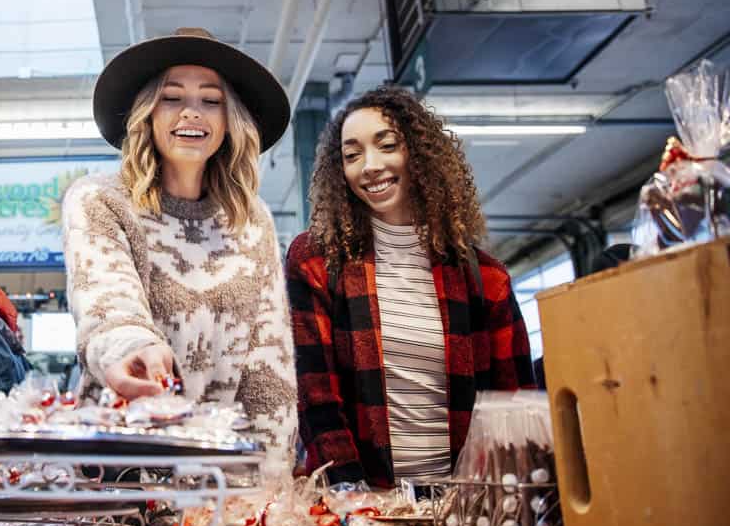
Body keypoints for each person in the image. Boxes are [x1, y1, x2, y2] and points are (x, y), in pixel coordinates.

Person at [62, 27, 298, 473]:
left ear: (231, 121)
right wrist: (133, 347)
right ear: (147, 114)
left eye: (211, 101)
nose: (193, 112)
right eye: (172, 98)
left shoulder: (253, 220)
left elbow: (269, 367)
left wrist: (271, 487)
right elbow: (108, 303)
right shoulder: (99, 200)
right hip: (118, 472)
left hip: (216, 480)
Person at [286, 86, 535, 488]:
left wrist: (498, 503)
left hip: (465, 511)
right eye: (352, 155)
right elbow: (316, 397)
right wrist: (354, 498)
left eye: (387, 146)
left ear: (420, 154)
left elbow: (514, 405)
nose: (369, 166)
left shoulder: (486, 278)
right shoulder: (317, 260)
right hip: (365, 512)